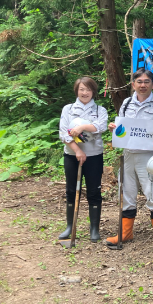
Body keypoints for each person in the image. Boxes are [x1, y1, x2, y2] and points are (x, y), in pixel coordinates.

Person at [106, 68, 153, 247]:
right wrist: (114, 128)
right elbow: (122, 127)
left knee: (152, 192)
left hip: (149, 156)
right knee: (127, 193)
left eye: (147, 82)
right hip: (128, 155)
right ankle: (126, 232)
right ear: (133, 84)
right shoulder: (127, 103)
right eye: (139, 82)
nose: (143, 85)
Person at [59, 77, 108, 243]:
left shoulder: (100, 110)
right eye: (81, 89)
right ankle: (69, 226)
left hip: (94, 156)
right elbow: (64, 133)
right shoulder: (68, 109)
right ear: (76, 91)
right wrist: (77, 151)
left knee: (94, 191)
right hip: (72, 156)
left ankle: (94, 229)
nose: (84, 93)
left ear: (93, 91)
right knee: (71, 191)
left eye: (88, 89)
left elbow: (100, 127)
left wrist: (82, 127)